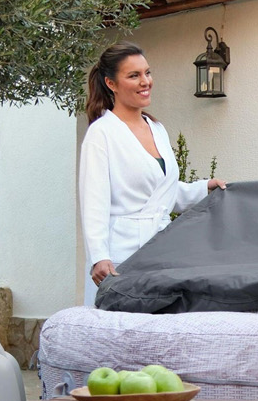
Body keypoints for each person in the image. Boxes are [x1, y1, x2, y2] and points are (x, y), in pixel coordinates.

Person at [79, 42, 226, 306]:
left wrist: (204, 189)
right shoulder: (101, 134)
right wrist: (99, 256)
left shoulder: (157, 128)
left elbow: (162, 192)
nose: (145, 81)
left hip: (160, 252)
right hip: (119, 258)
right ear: (111, 83)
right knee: (119, 325)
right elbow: (93, 201)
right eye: (133, 75)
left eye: (147, 73)